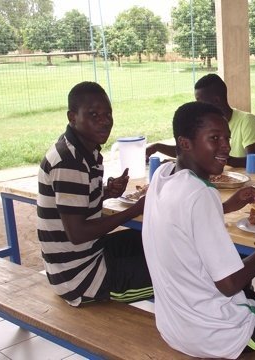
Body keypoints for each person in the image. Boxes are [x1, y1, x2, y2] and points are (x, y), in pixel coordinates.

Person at [142, 101, 255, 359]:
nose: (225, 145)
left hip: (173, 326)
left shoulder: (163, 176)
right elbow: (230, 284)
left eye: (227, 137)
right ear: (185, 143)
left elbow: (184, 218)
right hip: (215, 334)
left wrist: (228, 206)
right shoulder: (200, 193)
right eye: (214, 138)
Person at [36, 81, 152, 306]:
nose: (105, 121)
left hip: (82, 258)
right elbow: (78, 233)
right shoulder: (69, 162)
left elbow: (75, 204)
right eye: (94, 115)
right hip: (80, 278)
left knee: (150, 238)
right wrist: (137, 209)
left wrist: (106, 193)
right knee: (180, 272)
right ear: (72, 117)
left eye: (108, 114)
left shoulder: (82, 149)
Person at [146, 74, 255, 170]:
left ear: (216, 100)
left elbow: (253, 161)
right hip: (223, 181)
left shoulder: (246, 120)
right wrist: (157, 147)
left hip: (249, 183)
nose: (197, 104)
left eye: (199, 100)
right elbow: (190, 149)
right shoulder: (206, 125)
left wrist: (219, 158)